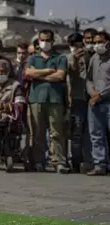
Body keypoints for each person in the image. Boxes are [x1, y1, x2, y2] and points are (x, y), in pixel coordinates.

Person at [25, 29, 69, 173]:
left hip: (54, 99)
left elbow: (60, 76)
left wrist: (39, 75)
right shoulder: (33, 58)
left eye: (48, 40)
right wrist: (49, 71)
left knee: (56, 132)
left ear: (52, 41)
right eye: (42, 40)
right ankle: (39, 161)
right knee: (37, 132)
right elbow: (29, 73)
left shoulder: (60, 58)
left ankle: (58, 161)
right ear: (38, 41)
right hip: (36, 99)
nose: (45, 43)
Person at [66, 33, 92, 173]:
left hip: (90, 97)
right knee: (77, 132)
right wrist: (75, 58)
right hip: (77, 98)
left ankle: (89, 160)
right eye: (73, 45)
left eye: (78, 45)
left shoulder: (90, 56)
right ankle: (76, 162)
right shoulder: (68, 58)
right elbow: (72, 73)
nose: (76, 48)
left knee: (90, 132)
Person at [85, 31, 110, 176]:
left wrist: (101, 95)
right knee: (95, 134)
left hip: (107, 100)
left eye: (99, 42)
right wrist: (92, 92)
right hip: (94, 102)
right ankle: (99, 164)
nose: (96, 45)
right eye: (94, 42)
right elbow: (88, 79)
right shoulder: (94, 58)